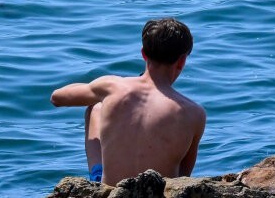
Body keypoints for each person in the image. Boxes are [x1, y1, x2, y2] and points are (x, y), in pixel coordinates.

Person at [50, 17, 206, 186]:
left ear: (143, 54)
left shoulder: (113, 86)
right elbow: (183, 176)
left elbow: (57, 97)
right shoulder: (194, 113)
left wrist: (99, 89)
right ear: (182, 61)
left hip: (110, 194)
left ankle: (97, 179)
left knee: (96, 107)